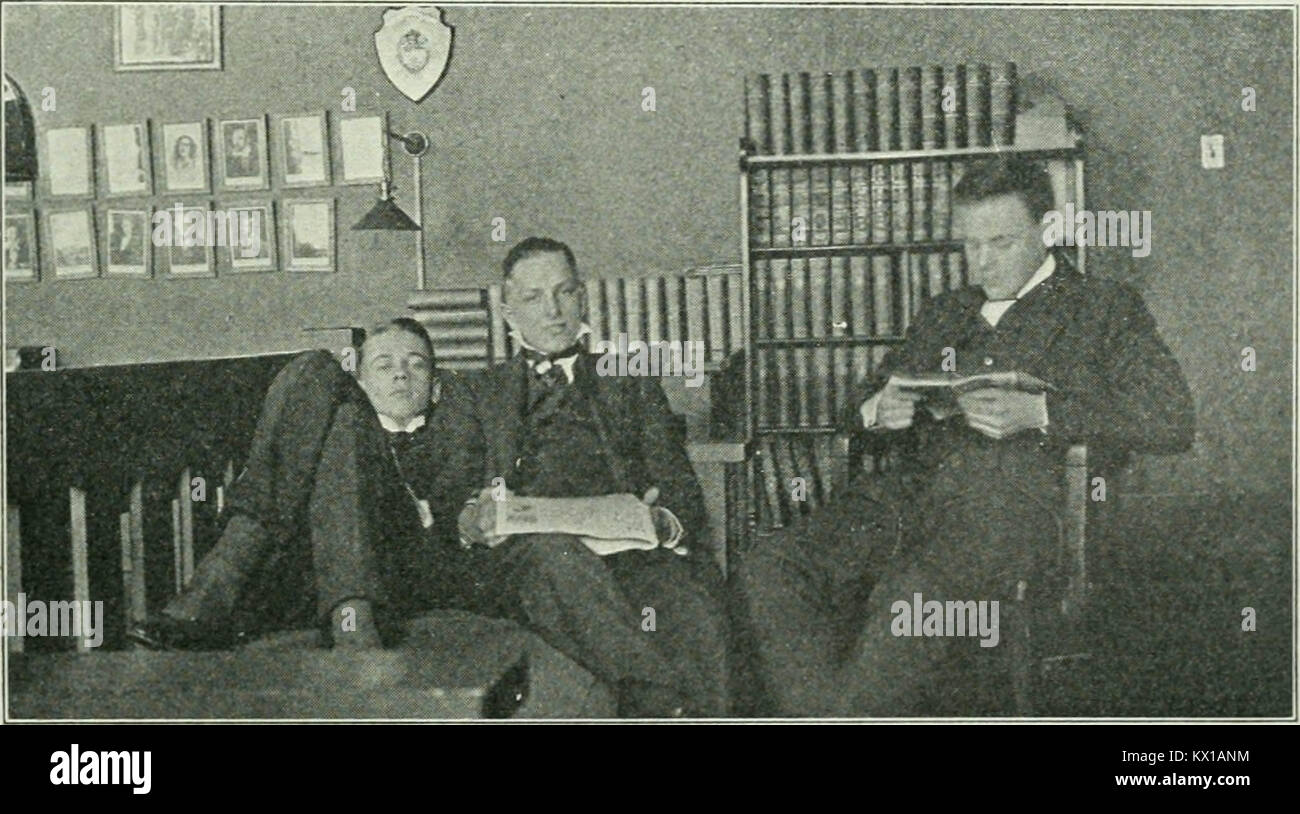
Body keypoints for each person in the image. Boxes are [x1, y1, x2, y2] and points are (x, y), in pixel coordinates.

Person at [734, 157, 1196, 716]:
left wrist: (1041, 412)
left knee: (911, 599)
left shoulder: (1102, 308)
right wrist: (881, 409)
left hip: (1013, 512)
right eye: (970, 245)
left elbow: (1171, 417)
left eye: (1000, 243)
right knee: (772, 566)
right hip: (909, 500)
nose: (981, 262)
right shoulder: (945, 312)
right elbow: (853, 407)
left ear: (1048, 230)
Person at [455, 236, 728, 717]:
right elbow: (450, 499)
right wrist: (470, 518)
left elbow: (681, 491)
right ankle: (664, 702)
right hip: (526, 559)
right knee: (557, 557)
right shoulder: (476, 393)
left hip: (624, 553)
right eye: (533, 298)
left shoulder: (630, 382)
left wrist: (662, 521)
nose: (554, 311)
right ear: (507, 311)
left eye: (564, 292)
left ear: (583, 297)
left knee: (692, 604)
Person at [129, 318, 485, 650]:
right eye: (384, 365)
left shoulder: (451, 434)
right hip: (310, 578)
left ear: (435, 388)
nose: (401, 376)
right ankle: (351, 618)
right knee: (317, 370)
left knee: (341, 416)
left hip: (403, 568)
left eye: (416, 364)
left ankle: (218, 580)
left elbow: (452, 516)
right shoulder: (337, 427)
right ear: (358, 385)